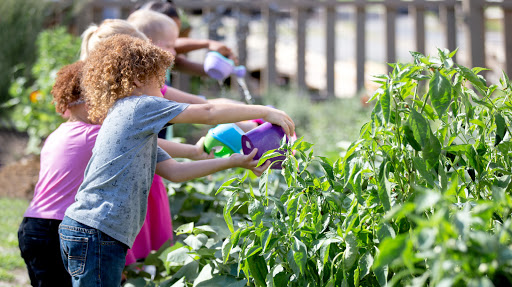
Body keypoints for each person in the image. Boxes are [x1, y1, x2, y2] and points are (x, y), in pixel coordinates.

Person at [59, 34, 294, 286]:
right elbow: (209, 112)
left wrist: (234, 161)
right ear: (137, 79)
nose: (163, 91)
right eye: (158, 82)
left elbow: (175, 172)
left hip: (92, 229)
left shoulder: (134, 127)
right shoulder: (138, 107)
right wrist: (264, 111)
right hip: (98, 231)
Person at [137, 0, 237, 78]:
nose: (174, 50)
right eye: (169, 43)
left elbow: (180, 63)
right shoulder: (140, 64)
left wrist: (219, 68)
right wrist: (207, 43)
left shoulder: (165, 58)